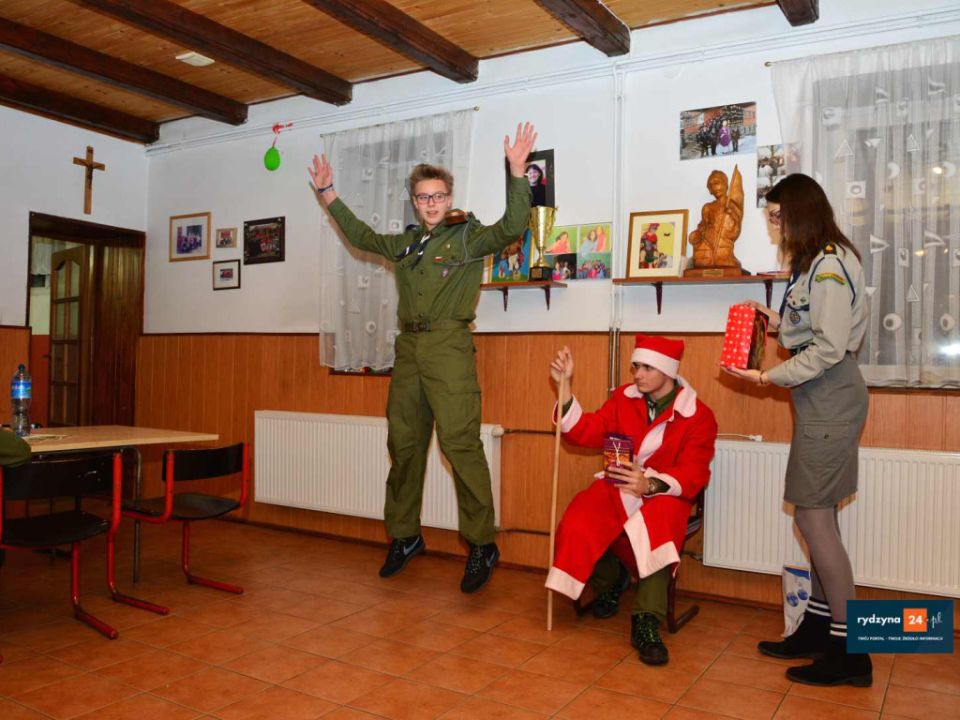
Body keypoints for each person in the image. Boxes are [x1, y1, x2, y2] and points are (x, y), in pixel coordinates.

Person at [309, 122, 537, 593]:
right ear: (414, 202)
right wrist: (328, 193)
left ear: (449, 197)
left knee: (459, 444)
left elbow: (513, 227)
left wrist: (517, 172)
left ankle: (481, 544)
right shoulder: (406, 244)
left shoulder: (467, 237)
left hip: (449, 347)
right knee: (405, 444)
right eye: (423, 197)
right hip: (409, 349)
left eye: (438, 196)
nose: (431, 203)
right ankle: (405, 536)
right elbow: (363, 237)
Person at [721, 172, 872, 688]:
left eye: (776, 216)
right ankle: (818, 628)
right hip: (821, 398)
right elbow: (808, 330)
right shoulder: (815, 263)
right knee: (818, 517)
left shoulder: (827, 266)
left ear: (798, 212)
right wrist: (771, 319)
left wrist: (767, 377)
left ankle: (851, 653)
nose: (774, 226)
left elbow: (828, 348)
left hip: (830, 394)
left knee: (812, 518)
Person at [546, 335, 718, 665]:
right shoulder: (623, 400)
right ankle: (608, 584)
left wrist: (649, 484)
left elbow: (694, 472)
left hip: (665, 493)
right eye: (636, 366)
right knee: (582, 517)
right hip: (620, 482)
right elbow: (588, 430)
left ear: (668, 371)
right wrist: (564, 387)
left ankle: (646, 620)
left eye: (647, 368)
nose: (638, 374)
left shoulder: (699, 416)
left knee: (658, 531)